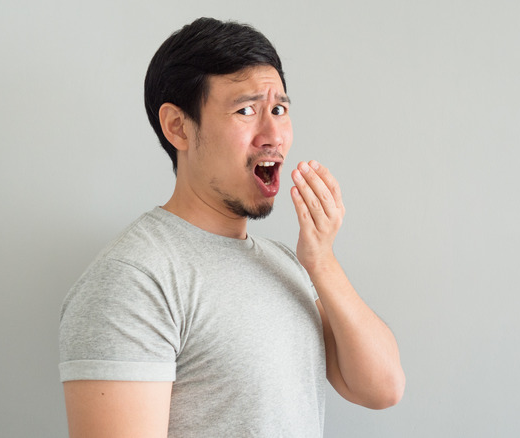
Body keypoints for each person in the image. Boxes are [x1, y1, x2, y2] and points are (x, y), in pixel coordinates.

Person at [59, 17, 404, 437]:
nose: (273, 134)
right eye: (246, 110)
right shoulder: (133, 278)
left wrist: (321, 261)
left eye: (278, 109)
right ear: (178, 127)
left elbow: (382, 388)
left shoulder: (287, 265)